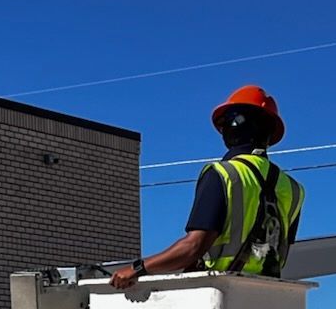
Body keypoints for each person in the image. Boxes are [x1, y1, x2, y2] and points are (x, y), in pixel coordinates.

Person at [110, 85, 305, 288]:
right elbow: (277, 251)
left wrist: (137, 269)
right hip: (269, 295)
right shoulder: (293, 189)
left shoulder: (223, 174)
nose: (222, 130)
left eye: (226, 122)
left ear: (237, 124)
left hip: (220, 292)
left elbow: (193, 246)